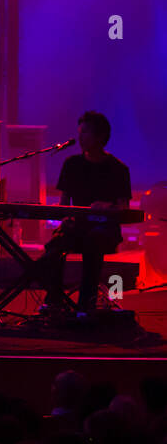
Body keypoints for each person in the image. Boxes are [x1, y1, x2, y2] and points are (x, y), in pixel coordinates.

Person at [35, 111, 132, 317]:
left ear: (100, 136)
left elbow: (124, 208)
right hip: (76, 227)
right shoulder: (72, 165)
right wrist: (66, 218)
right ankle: (54, 300)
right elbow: (63, 205)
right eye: (80, 132)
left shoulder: (118, 169)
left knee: (94, 241)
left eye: (85, 133)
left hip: (104, 230)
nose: (80, 138)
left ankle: (85, 305)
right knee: (53, 249)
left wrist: (107, 207)